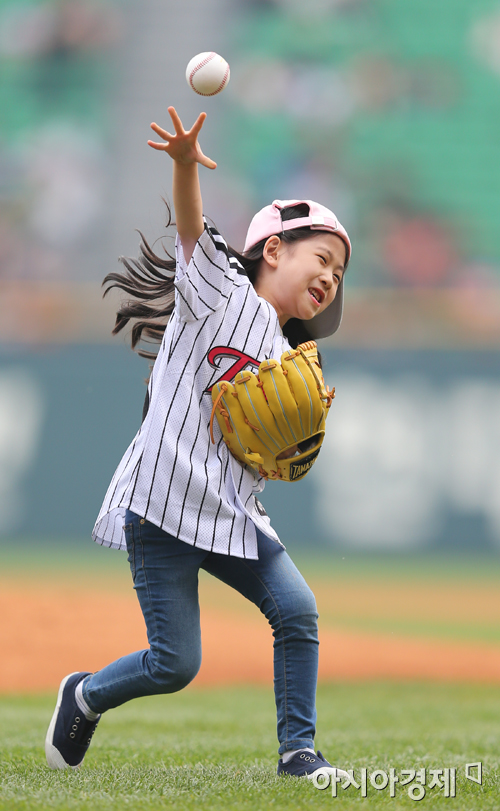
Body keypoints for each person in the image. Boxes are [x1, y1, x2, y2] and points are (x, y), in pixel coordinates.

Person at [44, 107, 352, 781]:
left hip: (234, 514)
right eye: (323, 258)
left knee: (297, 612)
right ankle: (85, 693)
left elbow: (268, 447)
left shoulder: (289, 354)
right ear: (275, 248)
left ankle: (298, 752)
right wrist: (185, 164)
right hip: (162, 508)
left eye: (338, 273)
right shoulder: (220, 290)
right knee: (175, 663)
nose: (331, 277)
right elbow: (190, 229)